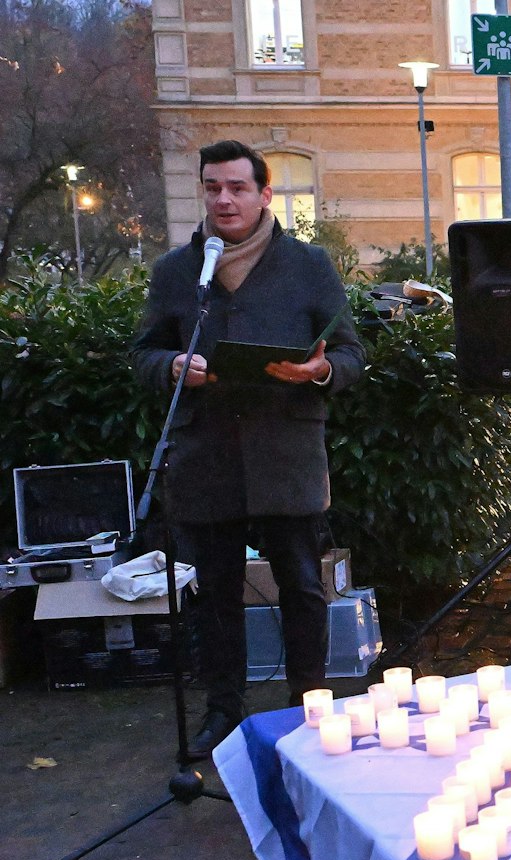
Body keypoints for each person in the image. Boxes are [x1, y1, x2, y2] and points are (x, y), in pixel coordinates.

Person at [130, 139, 364, 760]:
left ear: (264, 194)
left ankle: (309, 706)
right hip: (206, 456)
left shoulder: (308, 265)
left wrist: (317, 372)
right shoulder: (179, 272)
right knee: (216, 592)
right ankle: (223, 710)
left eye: (237, 187)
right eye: (213, 187)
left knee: (303, 587)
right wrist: (173, 364)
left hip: (286, 453)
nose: (224, 199)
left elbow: (349, 354)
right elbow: (144, 353)